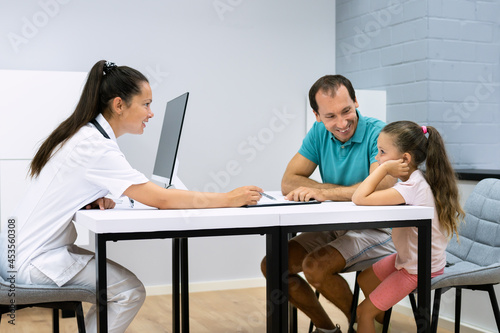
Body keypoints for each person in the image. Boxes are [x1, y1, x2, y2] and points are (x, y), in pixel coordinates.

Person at [0, 60, 262, 333]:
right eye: (146, 104)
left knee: (121, 289)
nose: (151, 113)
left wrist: (93, 198)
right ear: (119, 105)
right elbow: (161, 199)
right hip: (31, 264)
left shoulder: (85, 136)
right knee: (129, 292)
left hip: (17, 254)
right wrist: (229, 198)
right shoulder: (94, 145)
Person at [261, 75, 397, 333]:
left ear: (356, 101)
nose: (342, 123)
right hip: (337, 224)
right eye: (330, 116)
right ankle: (328, 330)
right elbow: (289, 182)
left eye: (346, 111)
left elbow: (380, 185)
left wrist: (325, 193)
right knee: (273, 265)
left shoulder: (380, 133)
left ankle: (361, 324)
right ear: (317, 115)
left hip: (377, 229)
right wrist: (334, 192)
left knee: (315, 267)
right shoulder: (318, 133)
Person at [352, 121, 464, 333]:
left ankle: (369, 320)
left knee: (363, 312)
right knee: (365, 279)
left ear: (405, 159)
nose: (377, 157)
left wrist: (384, 169)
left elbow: (359, 197)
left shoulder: (412, 186)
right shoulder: (414, 180)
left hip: (419, 267)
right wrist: (385, 164)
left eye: (382, 152)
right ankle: (380, 326)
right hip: (410, 258)